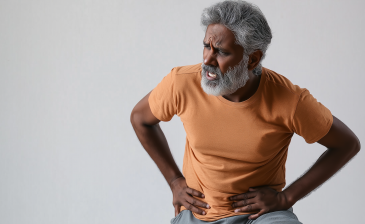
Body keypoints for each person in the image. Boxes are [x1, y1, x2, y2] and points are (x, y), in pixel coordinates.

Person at [130, 1, 361, 223]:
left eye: (221, 52)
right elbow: (141, 119)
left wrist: (286, 197)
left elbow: (347, 144)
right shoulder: (182, 83)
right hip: (199, 214)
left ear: (252, 59)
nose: (207, 59)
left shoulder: (289, 100)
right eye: (206, 46)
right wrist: (174, 180)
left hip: (261, 217)